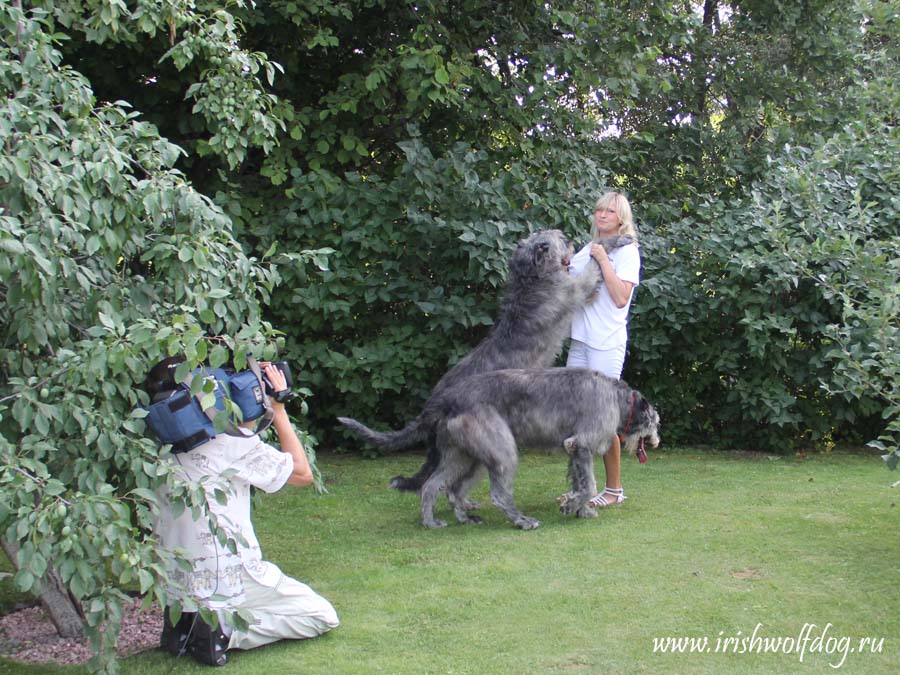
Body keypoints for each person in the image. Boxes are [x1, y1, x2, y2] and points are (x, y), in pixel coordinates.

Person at [150, 358, 339, 667]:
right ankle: (224, 632)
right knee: (320, 615)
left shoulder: (155, 448)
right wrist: (276, 408)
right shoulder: (231, 445)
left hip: (176, 579)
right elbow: (303, 474)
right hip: (232, 574)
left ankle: (184, 625)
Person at [566, 191, 642, 508]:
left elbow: (621, 297)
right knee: (575, 419)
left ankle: (613, 490)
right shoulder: (588, 248)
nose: (602, 215)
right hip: (580, 342)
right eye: (599, 210)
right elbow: (573, 288)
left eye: (610, 211)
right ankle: (582, 489)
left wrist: (602, 260)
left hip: (606, 344)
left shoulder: (627, 251)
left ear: (621, 217)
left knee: (603, 420)